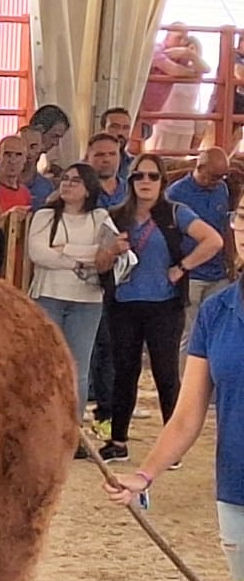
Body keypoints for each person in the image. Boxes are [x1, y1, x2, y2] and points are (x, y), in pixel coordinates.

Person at [112, 240, 244, 581]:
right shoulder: (217, 311)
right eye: (242, 216)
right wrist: (144, 476)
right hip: (237, 489)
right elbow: (186, 415)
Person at [99, 153, 225, 461]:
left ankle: (173, 446)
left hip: (164, 305)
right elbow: (98, 262)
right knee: (124, 373)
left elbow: (214, 240)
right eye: (139, 176)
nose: (145, 182)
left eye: (152, 176)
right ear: (130, 182)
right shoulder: (114, 216)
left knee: (166, 374)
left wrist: (182, 266)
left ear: (162, 182)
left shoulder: (176, 213)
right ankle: (118, 440)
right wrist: (112, 251)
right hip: (124, 304)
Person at [27, 162, 126, 410]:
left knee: (78, 368)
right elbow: (38, 254)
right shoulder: (45, 215)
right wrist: (82, 262)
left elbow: (114, 250)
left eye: (75, 180)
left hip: (87, 301)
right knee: (45, 365)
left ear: (89, 189)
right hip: (48, 295)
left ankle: (74, 429)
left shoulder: (100, 217)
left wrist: (66, 250)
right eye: (65, 179)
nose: (67, 184)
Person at [170, 147, 236, 345]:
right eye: (214, 176)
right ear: (201, 167)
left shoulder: (221, 189)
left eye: (222, 176)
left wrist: (230, 262)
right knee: (188, 333)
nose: (218, 180)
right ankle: (186, 376)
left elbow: (225, 227)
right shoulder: (176, 194)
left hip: (218, 273)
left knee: (218, 328)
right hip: (191, 274)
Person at [147, 24, 207, 153]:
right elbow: (173, 70)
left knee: (179, 161)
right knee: (159, 157)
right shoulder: (168, 58)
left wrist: (191, 56)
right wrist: (193, 74)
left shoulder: (194, 68)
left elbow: (206, 69)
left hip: (185, 124)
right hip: (165, 121)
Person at [0, 134, 35, 214]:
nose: (13, 161)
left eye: (18, 155)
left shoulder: (25, 193)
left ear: (25, 158)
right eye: (8, 155)